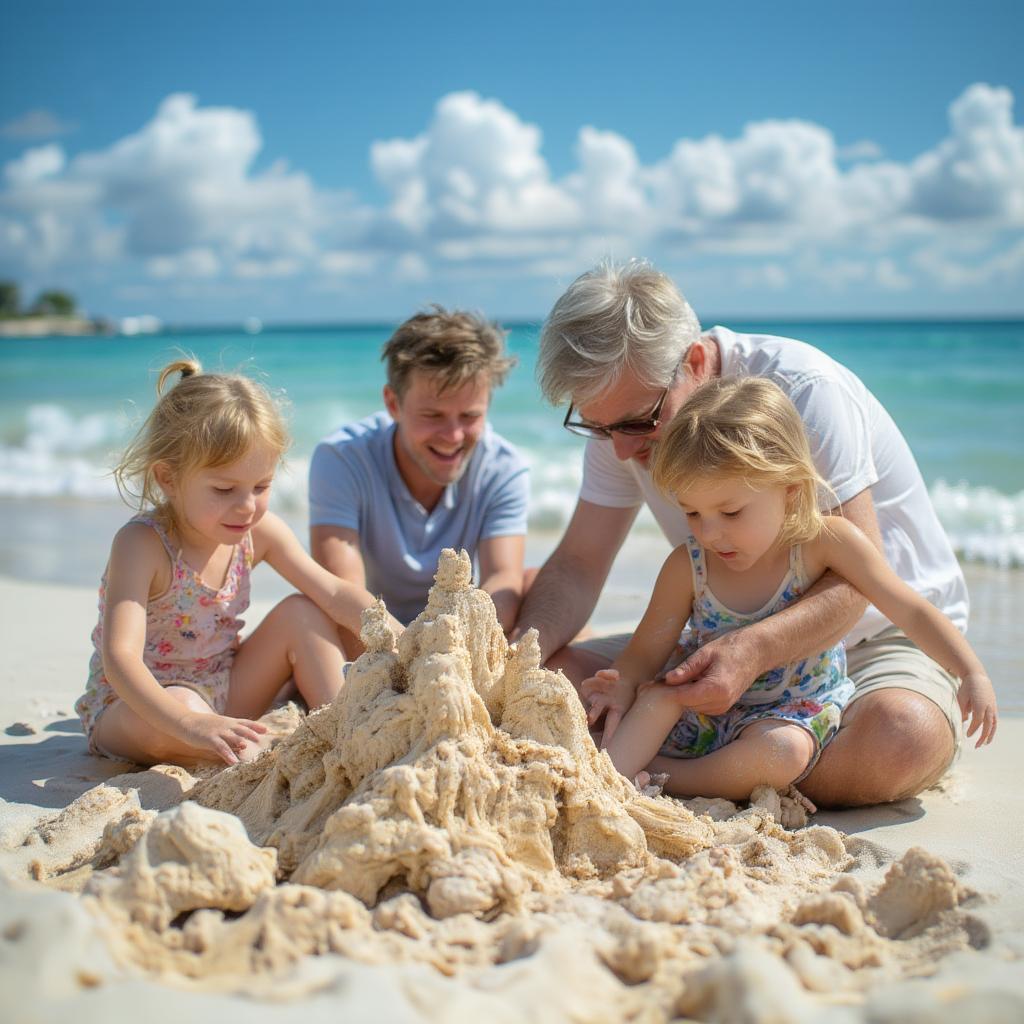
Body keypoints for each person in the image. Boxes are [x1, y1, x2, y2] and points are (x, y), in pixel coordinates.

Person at [514, 259, 973, 807]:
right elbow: (579, 563)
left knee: (900, 737)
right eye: (596, 426)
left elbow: (856, 585)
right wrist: (517, 657)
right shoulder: (625, 417)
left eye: (637, 423)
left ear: (697, 361)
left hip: (866, 640)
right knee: (553, 682)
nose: (619, 449)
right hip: (714, 643)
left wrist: (753, 649)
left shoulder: (803, 392)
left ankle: (681, 771)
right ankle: (707, 772)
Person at [582, 377, 997, 799]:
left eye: (730, 512)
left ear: (790, 488)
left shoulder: (827, 542)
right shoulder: (688, 567)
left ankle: (660, 778)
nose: (710, 533)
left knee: (781, 753)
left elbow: (909, 609)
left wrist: (970, 672)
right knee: (655, 700)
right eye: (691, 512)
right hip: (703, 705)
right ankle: (607, 776)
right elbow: (646, 651)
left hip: (789, 711)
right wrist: (623, 683)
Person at [75, 359, 403, 768]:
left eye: (261, 487)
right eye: (224, 489)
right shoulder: (142, 544)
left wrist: (403, 637)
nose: (247, 506)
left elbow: (333, 592)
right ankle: (252, 753)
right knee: (188, 714)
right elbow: (120, 659)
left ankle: (346, 721)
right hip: (139, 705)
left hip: (223, 685)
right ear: (168, 479)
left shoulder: (259, 531)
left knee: (302, 610)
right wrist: (189, 722)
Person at [310, 307, 530, 640]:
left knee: (536, 584)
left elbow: (502, 579)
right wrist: (407, 657)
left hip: (454, 634)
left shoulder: (503, 467)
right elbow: (342, 589)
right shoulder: (342, 458)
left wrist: (451, 652)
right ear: (393, 404)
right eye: (433, 415)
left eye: (469, 416)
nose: (453, 436)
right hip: (369, 635)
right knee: (307, 609)